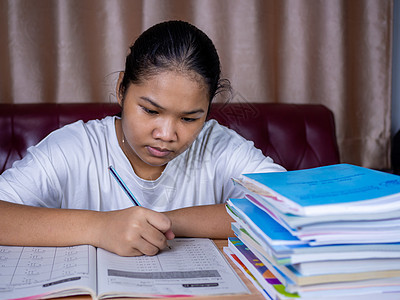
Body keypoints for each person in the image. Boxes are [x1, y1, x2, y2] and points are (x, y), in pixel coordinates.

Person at [0, 20, 285, 257]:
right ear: (122, 89)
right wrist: (100, 228)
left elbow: (287, 208)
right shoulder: (75, 148)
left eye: (189, 119)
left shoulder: (218, 145)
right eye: (150, 110)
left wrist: (167, 222)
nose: (166, 134)